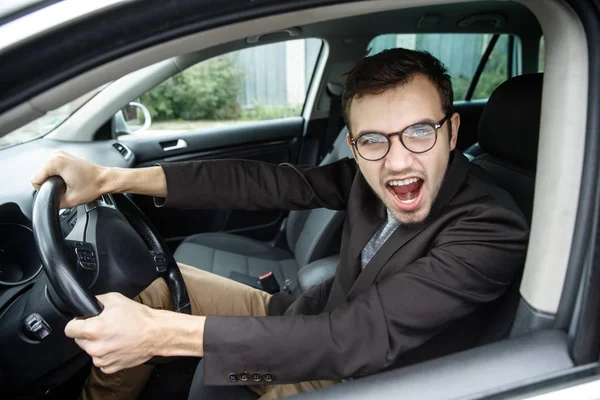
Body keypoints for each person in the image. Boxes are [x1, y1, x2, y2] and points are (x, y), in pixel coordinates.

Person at [32, 48, 529, 400]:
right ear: (354, 146)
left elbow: (356, 339)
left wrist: (161, 335)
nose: (397, 162)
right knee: (153, 287)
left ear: (452, 130)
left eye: (419, 131)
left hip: (356, 377)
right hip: (300, 316)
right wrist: (110, 178)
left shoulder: (490, 226)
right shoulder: (367, 174)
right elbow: (264, 183)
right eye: (374, 140)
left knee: (169, 333)